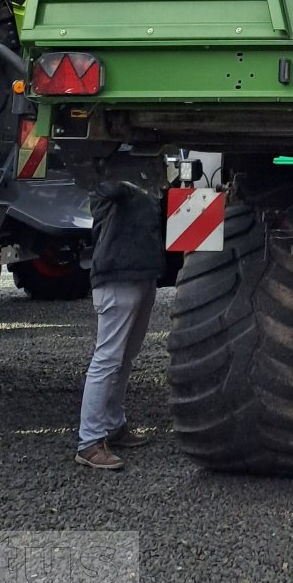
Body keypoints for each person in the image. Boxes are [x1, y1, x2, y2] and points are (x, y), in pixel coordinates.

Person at [75, 170, 166, 470]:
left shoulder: (139, 176)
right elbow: (113, 187)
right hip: (117, 274)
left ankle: (114, 425)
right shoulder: (106, 176)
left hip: (140, 272)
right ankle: (89, 442)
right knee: (108, 358)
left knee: (125, 356)